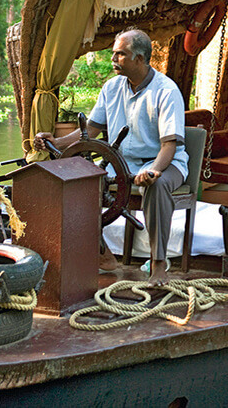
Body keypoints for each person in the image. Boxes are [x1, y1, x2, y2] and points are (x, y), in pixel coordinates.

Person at [34, 29, 188, 285]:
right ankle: (103, 255)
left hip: (166, 163)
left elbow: (169, 146)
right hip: (121, 165)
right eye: (113, 53)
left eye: (121, 54)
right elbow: (91, 131)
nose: (113, 58)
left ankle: (159, 265)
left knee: (157, 186)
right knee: (80, 183)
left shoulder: (166, 91)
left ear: (140, 59)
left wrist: (153, 172)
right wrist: (56, 141)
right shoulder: (112, 87)